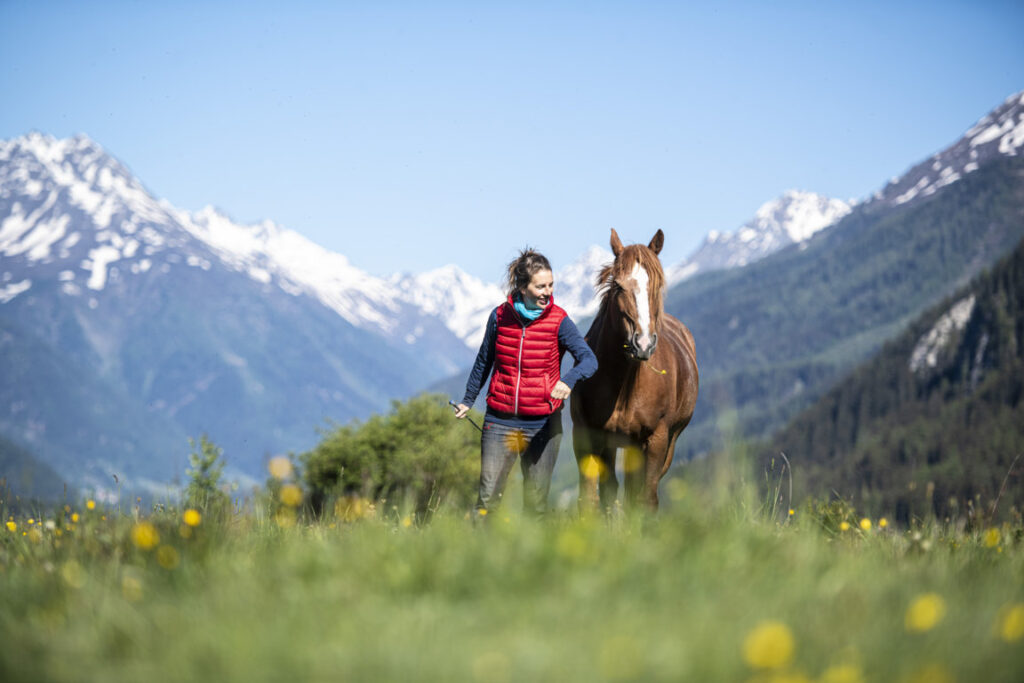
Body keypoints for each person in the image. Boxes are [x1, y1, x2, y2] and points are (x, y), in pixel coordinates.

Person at [454, 248, 598, 518]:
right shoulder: (499, 316)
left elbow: (589, 360)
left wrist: (568, 381)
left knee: (536, 507)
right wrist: (468, 399)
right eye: (540, 286)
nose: (548, 292)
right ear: (522, 287)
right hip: (499, 423)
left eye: (551, 285)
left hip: (543, 425)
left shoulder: (559, 320)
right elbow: (484, 360)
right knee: (486, 502)